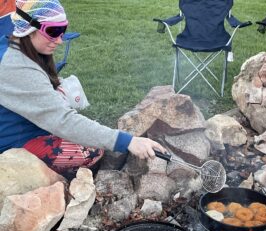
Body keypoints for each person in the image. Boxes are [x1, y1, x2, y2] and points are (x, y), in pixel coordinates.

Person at [0, 0, 165, 178]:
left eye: (62, 30)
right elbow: (63, 121)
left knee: (88, 135)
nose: (60, 40)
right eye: (53, 31)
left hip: (30, 126)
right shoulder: (14, 65)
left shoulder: (19, 47)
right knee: (93, 151)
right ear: (29, 28)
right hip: (14, 141)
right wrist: (128, 141)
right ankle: (52, 180)